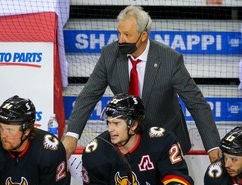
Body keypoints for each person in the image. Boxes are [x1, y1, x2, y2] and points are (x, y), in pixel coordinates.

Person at [63, 5, 220, 163]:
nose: (121, 40)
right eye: (119, 33)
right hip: (128, 141)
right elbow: (88, 95)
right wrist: (72, 135)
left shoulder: (170, 60)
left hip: (167, 139)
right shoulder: (109, 55)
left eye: (127, 35)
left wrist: (213, 147)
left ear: (143, 35)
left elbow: (196, 103)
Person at [82, 93, 196, 185]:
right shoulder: (96, 152)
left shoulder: (162, 141)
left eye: (116, 123)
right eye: (109, 122)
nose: (110, 129)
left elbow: (177, 176)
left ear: (134, 125)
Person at [0, 95, 70, 185]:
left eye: (10, 129)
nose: (3, 135)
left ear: (27, 130)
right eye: (1, 127)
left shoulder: (50, 150)